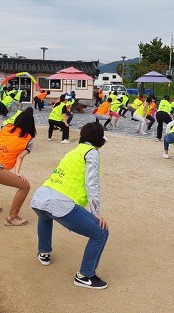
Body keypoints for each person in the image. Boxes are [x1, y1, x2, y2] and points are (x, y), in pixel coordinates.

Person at [30, 122, 110, 289]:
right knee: (101, 232)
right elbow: (92, 184)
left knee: (45, 216)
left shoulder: (73, 151)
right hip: (60, 203)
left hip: (41, 196)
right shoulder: (92, 153)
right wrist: (96, 212)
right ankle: (85, 276)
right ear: (99, 140)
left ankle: (44, 253)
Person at [0, 109, 36, 226]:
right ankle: (12, 217)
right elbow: (20, 157)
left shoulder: (6, 128)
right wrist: (17, 172)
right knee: (25, 186)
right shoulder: (29, 139)